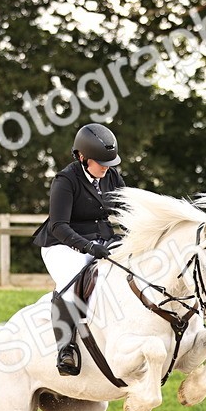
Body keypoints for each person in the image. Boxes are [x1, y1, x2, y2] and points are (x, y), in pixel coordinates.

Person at [31, 123, 126, 375]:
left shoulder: (112, 176)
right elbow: (58, 225)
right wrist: (88, 247)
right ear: (82, 157)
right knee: (74, 283)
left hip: (99, 240)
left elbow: (127, 211)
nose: (106, 167)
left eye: (109, 162)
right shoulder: (65, 180)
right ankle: (66, 349)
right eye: (100, 162)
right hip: (62, 243)